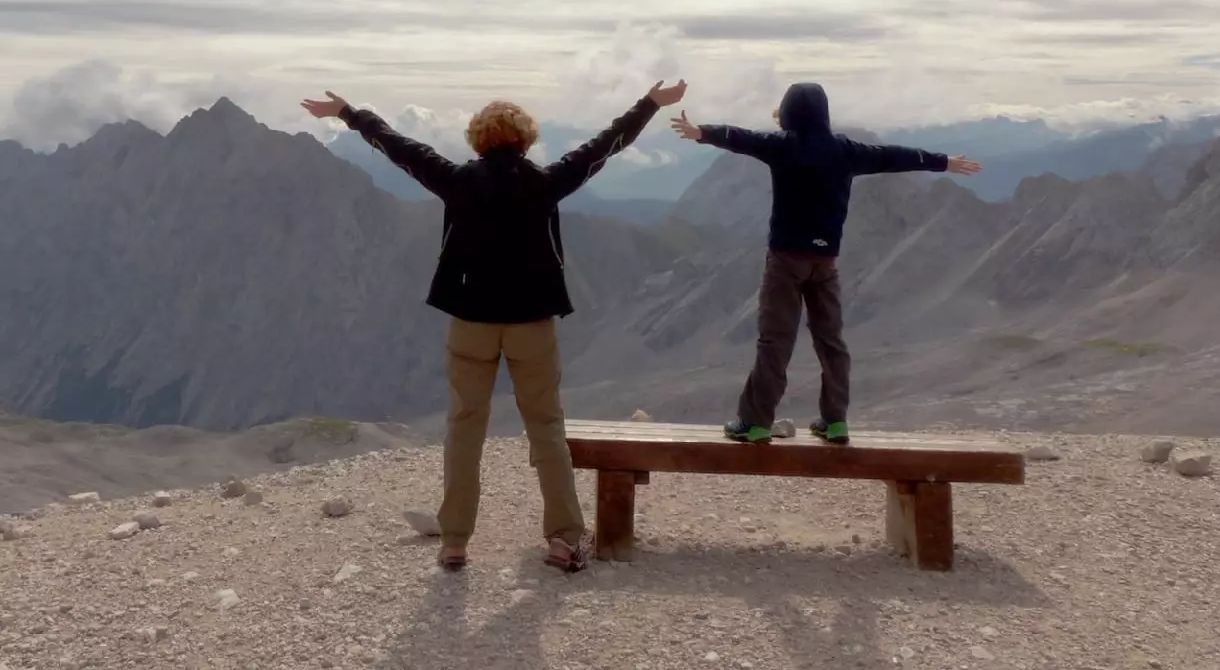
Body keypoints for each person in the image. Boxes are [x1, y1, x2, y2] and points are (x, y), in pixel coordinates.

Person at [302, 79, 688, 571]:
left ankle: (455, 541)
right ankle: (564, 539)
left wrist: (348, 113)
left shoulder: (456, 181)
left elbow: (401, 149)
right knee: (546, 427)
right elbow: (604, 147)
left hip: (470, 325)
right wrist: (650, 104)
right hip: (532, 324)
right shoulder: (547, 182)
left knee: (464, 429)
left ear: (478, 141)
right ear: (525, 140)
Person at [670, 82, 981, 445]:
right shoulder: (845, 151)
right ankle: (835, 422)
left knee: (776, 341)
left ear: (788, 113)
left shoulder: (782, 147)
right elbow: (893, 156)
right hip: (825, 263)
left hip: (786, 260)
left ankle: (755, 424)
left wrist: (701, 133)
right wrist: (944, 162)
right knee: (831, 341)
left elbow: (743, 138)